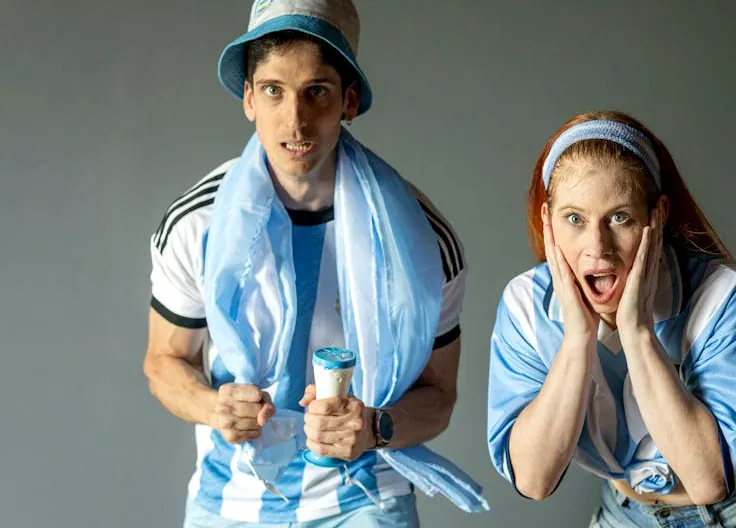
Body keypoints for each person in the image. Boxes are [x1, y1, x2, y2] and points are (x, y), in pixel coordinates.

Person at [143, 1, 486, 526]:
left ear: (348, 101)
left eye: (316, 92)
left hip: (367, 496)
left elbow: (439, 397)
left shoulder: (422, 240)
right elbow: (165, 362)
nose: (295, 119)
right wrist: (215, 408)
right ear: (249, 99)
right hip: (232, 495)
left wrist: (375, 427)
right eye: (274, 90)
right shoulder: (196, 224)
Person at [486, 110, 736, 527]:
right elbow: (533, 480)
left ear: (655, 217)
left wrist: (638, 332)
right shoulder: (525, 309)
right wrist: (576, 341)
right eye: (574, 219)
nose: (597, 247)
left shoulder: (724, 295)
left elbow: (709, 478)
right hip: (630, 514)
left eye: (619, 217)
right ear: (548, 220)